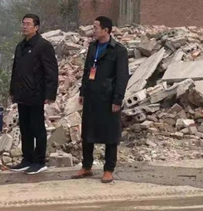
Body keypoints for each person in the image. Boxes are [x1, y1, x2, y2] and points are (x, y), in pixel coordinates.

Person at [72, 16, 130, 183]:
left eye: (96, 27)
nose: (94, 30)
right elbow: (87, 70)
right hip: (92, 95)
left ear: (106, 30)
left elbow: (122, 77)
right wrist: (83, 91)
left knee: (110, 134)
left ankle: (109, 169)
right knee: (87, 132)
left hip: (108, 98)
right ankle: (86, 166)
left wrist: (117, 100)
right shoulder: (93, 47)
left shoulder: (118, 50)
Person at [9, 14, 58, 175]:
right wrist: (13, 90)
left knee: (38, 128)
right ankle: (27, 159)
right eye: (23, 23)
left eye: (28, 24)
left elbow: (51, 71)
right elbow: (15, 70)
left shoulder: (43, 46)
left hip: (36, 94)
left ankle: (39, 161)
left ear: (36, 27)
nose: (24, 26)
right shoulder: (20, 46)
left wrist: (50, 94)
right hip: (22, 94)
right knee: (25, 128)